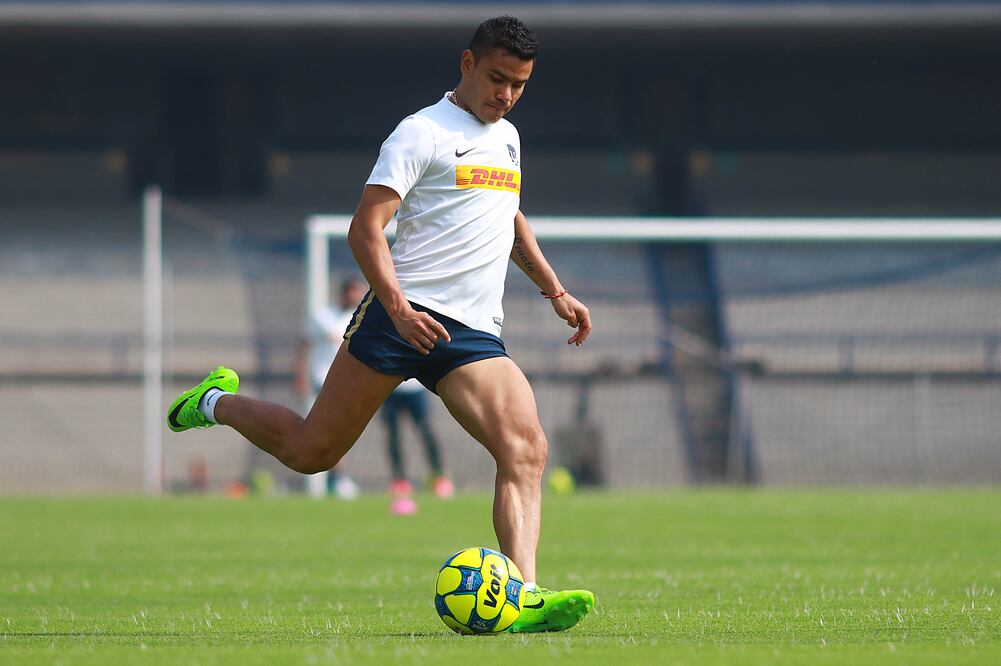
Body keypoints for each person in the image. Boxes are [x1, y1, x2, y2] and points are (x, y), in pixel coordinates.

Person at [167, 16, 594, 633]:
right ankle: (215, 402)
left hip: (471, 334)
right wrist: (397, 307)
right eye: (498, 79)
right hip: (399, 318)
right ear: (467, 64)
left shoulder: (509, 139)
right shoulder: (419, 133)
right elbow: (364, 229)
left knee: (526, 447)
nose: (506, 95)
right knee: (310, 452)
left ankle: (523, 594)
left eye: (520, 85)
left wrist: (554, 288)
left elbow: (510, 216)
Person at [293, 278, 366, 500]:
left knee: (338, 434)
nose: (356, 297)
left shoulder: (363, 316)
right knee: (321, 433)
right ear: (344, 293)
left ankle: (338, 480)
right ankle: (330, 481)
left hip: (346, 384)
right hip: (320, 381)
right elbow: (304, 345)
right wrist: (300, 375)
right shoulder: (323, 317)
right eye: (353, 292)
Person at [382, 378, 453, 515]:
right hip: (390, 389)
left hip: (416, 389)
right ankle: (400, 480)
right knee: (393, 436)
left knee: (426, 431)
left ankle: (439, 476)